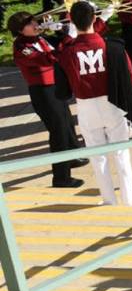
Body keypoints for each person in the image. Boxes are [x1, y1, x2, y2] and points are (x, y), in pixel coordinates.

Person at [55, 0, 132, 207]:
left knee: (97, 155)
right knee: (121, 152)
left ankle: (109, 199)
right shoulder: (114, 47)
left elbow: (62, 92)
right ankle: (129, 197)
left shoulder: (65, 52)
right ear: (95, 19)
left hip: (86, 106)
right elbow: (131, 79)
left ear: (71, 20)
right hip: (113, 103)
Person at [9, 11, 87, 188]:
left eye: (35, 21)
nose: (36, 25)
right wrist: (68, 37)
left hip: (55, 87)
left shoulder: (40, 39)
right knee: (58, 132)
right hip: (43, 92)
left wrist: (62, 30)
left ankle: (72, 157)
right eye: (30, 24)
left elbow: (59, 48)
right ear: (20, 30)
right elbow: (48, 59)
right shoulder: (22, 48)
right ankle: (61, 177)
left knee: (67, 123)